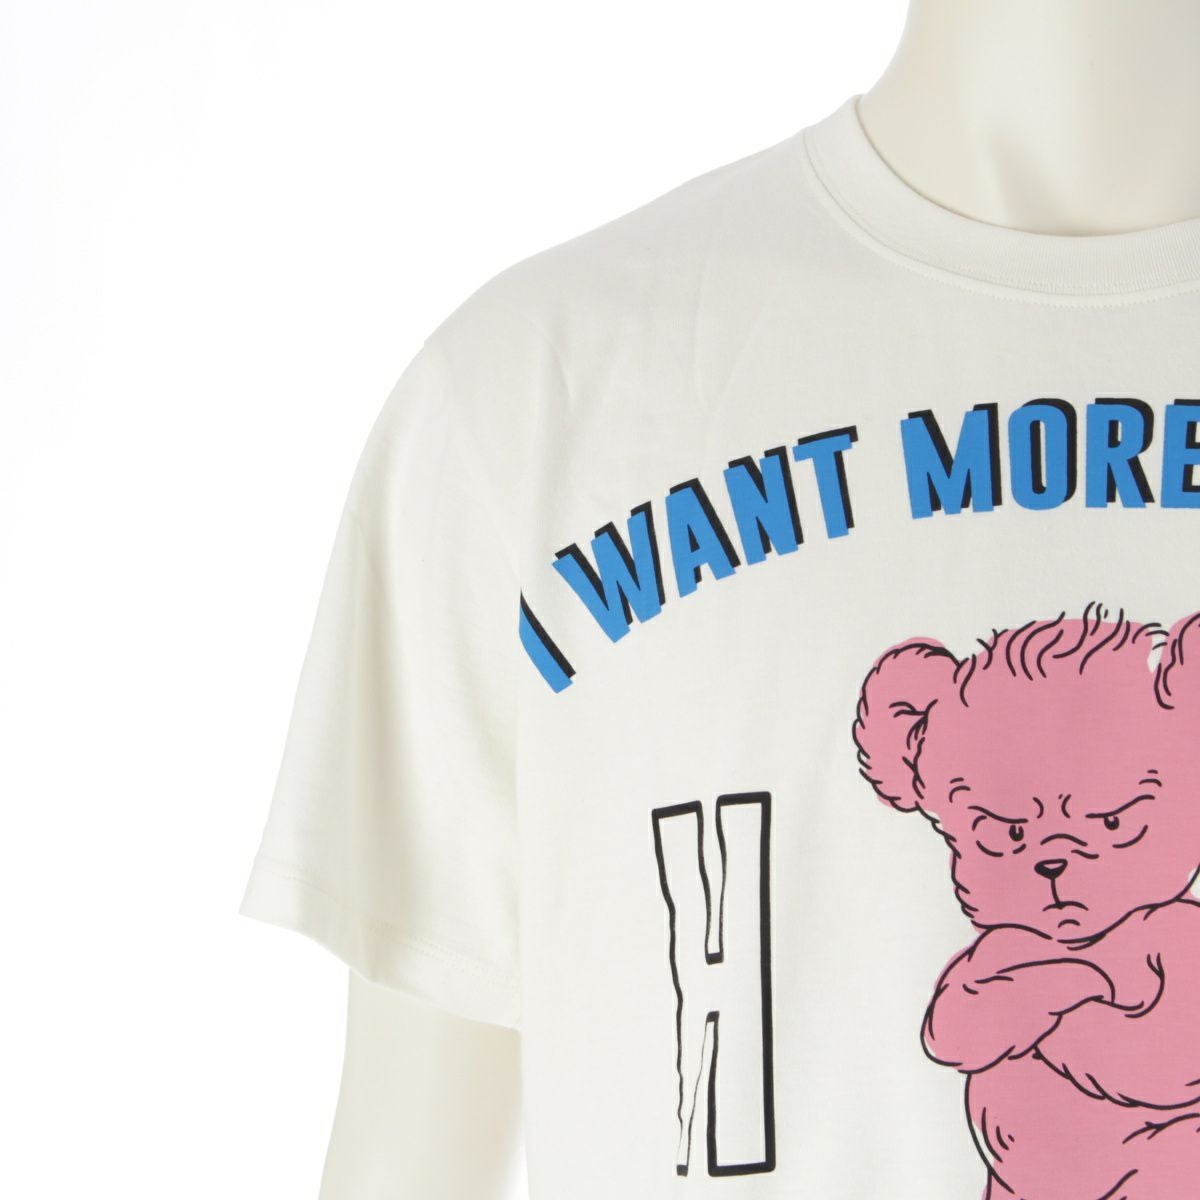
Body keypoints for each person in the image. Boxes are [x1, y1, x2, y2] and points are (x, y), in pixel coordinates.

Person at [240, 2, 1200, 1196]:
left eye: (1116, 825)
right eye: (1003, 834)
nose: (1053, 862)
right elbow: (406, 1160)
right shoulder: (532, 397)